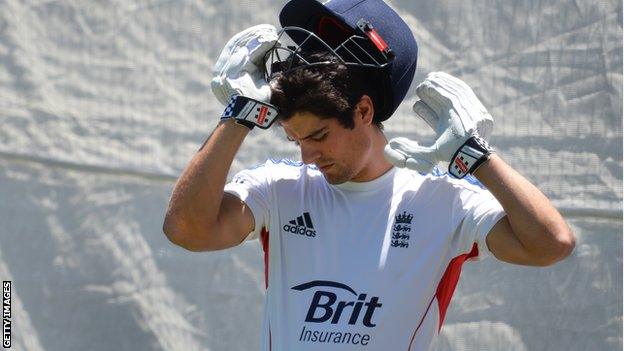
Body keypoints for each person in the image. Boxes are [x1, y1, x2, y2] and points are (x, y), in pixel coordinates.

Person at [163, 0, 576, 349]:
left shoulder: (445, 199)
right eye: (295, 140)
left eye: (319, 136)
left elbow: (551, 244)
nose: (307, 156)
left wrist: (478, 157)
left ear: (363, 111)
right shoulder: (278, 186)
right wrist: (239, 116)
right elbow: (187, 230)